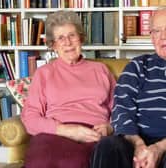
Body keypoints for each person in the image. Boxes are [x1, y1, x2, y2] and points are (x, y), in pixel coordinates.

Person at [21, 10, 116, 168]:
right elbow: (30, 119)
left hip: (93, 133)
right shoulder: (44, 73)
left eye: (72, 35)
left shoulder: (101, 70)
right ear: (53, 45)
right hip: (55, 132)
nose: (68, 42)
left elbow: (120, 108)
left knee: (78, 161)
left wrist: (110, 127)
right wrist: (67, 130)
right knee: (41, 161)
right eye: (60, 38)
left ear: (81, 38)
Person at [90, 7, 166, 168]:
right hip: (135, 139)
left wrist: (159, 148)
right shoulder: (137, 66)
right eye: (157, 31)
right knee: (108, 147)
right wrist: (138, 145)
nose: (163, 37)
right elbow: (122, 110)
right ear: (151, 36)